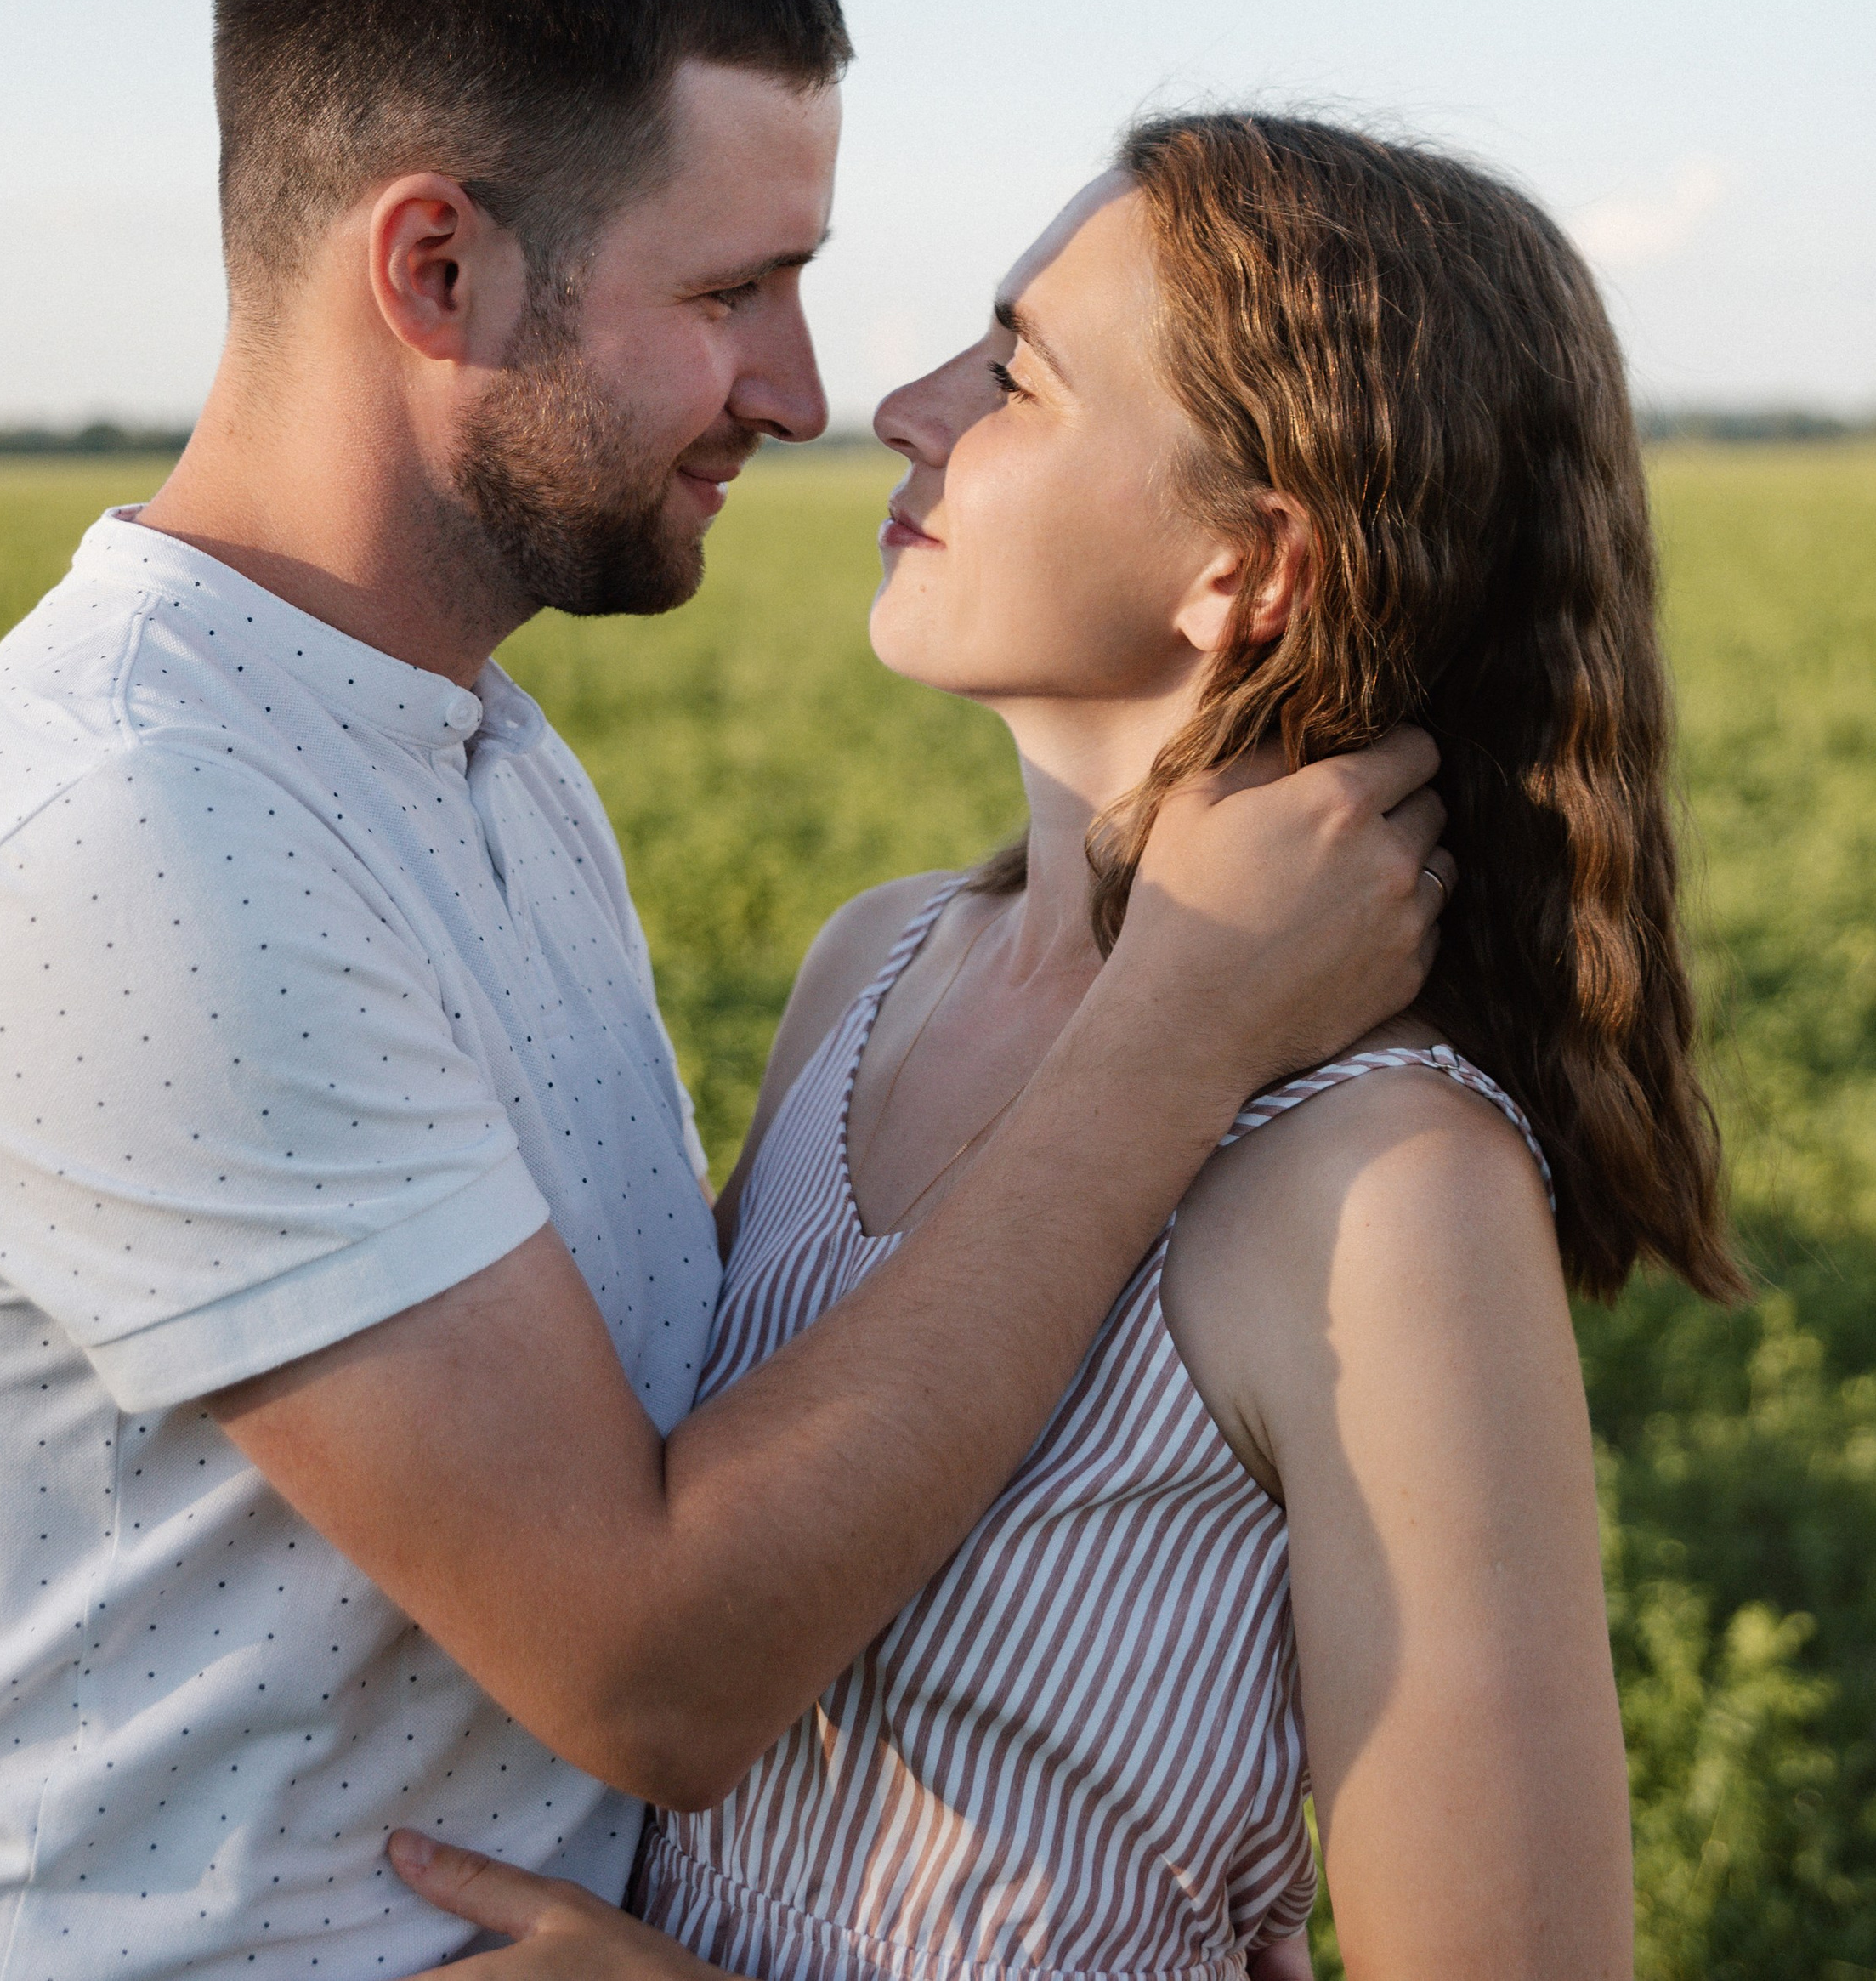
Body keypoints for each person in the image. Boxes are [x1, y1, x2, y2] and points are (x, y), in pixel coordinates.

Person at [0, 0, 1448, 1981]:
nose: (805, 388)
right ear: (436, 274)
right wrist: (1181, 1019)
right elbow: (652, 1668)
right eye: (730, 288)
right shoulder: (142, 837)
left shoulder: (478, 758)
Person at [388, 112, 1739, 1981]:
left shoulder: (1385, 1187)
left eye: (1015, 372)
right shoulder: (869, 970)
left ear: (1248, 569)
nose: (901, 403)